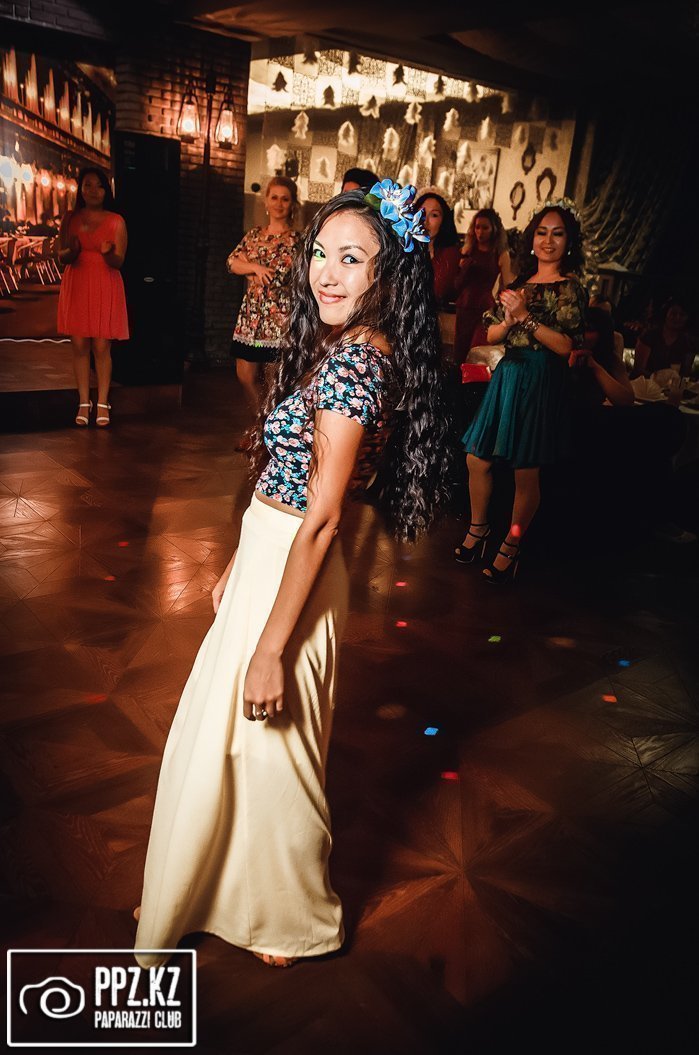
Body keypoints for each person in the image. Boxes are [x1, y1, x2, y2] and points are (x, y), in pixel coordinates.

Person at [133, 179, 452, 969]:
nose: (326, 273)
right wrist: (237, 559)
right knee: (226, 741)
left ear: (387, 275)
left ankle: (286, 915)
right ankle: (199, 888)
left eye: (351, 258)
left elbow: (321, 516)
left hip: (296, 567)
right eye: (320, 253)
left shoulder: (357, 366)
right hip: (269, 552)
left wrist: (272, 647)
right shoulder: (342, 347)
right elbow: (284, 476)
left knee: (275, 755)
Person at [455, 198, 586, 582]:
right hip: (508, 375)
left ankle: (512, 543)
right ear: (532, 239)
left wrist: (525, 317)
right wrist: (511, 319)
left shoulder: (570, 289)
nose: (548, 240)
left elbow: (564, 346)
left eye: (557, 234)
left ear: (568, 242)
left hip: (540, 378)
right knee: (476, 459)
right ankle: (479, 528)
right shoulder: (518, 285)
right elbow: (492, 333)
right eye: (542, 232)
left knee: (526, 471)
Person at [226, 177, 301, 444]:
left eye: (285, 199)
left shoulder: (297, 240)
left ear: (292, 204)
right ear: (266, 202)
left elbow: (282, 276)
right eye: (274, 197)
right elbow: (232, 262)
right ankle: (262, 424)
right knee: (244, 373)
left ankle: (267, 434)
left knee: (273, 380)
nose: (279, 203)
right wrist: (254, 268)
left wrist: (250, 267)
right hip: (251, 315)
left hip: (279, 317)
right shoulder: (255, 235)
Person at [56, 167, 128, 427]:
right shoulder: (71, 218)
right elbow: (61, 255)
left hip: (105, 282)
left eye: (99, 186)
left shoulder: (116, 220)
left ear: (106, 191)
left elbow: (119, 261)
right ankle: (83, 401)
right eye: (88, 185)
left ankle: (103, 402)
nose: (93, 190)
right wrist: (72, 251)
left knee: (101, 345)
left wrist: (108, 254)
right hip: (78, 282)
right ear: (81, 189)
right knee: (79, 345)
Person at [453, 208, 513, 363]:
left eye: (485, 227)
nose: (480, 232)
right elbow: (456, 281)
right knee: (460, 348)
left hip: (484, 307)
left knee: (478, 349)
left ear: (494, 229)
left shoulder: (500, 254)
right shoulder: (467, 250)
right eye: (477, 227)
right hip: (465, 304)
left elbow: (508, 284)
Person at [413, 191, 461, 307]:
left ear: (443, 220)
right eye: (421, 213)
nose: (425, 221)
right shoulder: (401, 249)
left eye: (434, 215)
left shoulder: (450, 255)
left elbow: (440, 292)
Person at [631, 297, 697, 379]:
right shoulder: (649, 336)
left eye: (682, 315)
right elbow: (638, 369)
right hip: (645, 383)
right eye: (673, 313)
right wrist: (659, 379)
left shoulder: (688, 342)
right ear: (666, 314)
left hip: (672, 385)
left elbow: (685, 373)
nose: (677, 318)